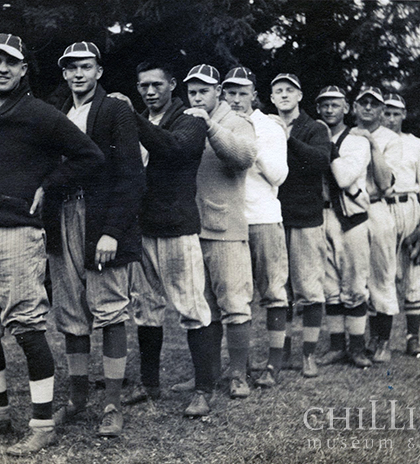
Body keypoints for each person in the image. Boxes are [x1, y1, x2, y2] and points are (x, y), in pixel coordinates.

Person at [0, 34, 104, 456]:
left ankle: (42, 423)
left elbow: (89, 156)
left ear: (22, 71)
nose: (2, 68)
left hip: (15, 230)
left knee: (27, 325)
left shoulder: (40, 115)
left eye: (10, 63)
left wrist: (46, 185)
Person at [47, 41, 144, 437]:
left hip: (101, 219)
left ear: (99, 71)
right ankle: (77, 398)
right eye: (71, 68)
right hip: (63, 216)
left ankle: (112, 403)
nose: (78, 74)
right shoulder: (57, 113)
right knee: (71, 310)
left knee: (109, 309)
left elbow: (131, 176)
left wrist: (111, 232)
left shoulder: (115, 108)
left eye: (85, 67)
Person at [109, 61, 215, 416]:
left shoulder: (193, 117)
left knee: (192, 308)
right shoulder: (140, 118)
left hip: (176, 227)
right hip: (143, 227)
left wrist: (129, 117)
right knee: (146, 308)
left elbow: (174, 149)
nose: (150, 92)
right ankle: (149, 384)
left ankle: (203, 389)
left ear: (172, 84)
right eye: (143, 86)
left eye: (157, 84)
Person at [178, 64, 257, 399]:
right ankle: (207, 375)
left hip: (225, 227)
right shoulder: (185, 118)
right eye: (192, 91)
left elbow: (243, 157)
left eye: (204, 90)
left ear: (219, 92)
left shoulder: (238, 121)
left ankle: (238, 375)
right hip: (191, 226)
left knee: (235, 305)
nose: (197, 96)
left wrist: (209, 126)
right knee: (201, 307)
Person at [222, 67, 289, 388]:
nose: (236, 99)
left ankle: (273, 364)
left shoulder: (268, 126)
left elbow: (278, 175)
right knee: (236, 298)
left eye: (242, 92)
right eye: (230, 92)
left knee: (274, 292)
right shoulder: (220, 122)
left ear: (253, 94)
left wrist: (250, 144)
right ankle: (240, 366)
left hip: (262, 217)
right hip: (229, 222)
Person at [270, 73, 331, 377]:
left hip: (306, 218)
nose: (283, 95)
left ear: (299, 96)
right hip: (276, 216)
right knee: (280, 288)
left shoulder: (315, 127)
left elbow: (321, 161)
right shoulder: (268, 125)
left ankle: (308, 355)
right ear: (271, 98)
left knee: (309, 287)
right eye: (278, 91)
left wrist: (288, 139)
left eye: (289, 90)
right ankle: (281, 354)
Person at [315, 86, 372, 369]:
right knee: (329, 284)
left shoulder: (357, 140)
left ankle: (358, 347)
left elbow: (344, 177)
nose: (329, 110)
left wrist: (328, 145)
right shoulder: (314, 135)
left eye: (335, 105)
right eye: (324, 105)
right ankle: (337, 346)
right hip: (321, 215)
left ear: (346, 108)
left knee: (354, 283)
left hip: (351, 218)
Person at [382, 93, 420, 358]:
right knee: (382, 272)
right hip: (382, 207)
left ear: (404, 114)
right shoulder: (372, 140)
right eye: (386, 112)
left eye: (395, 113)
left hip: (410, 207)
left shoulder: (416, 144)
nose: (390, 118)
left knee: (414, 271)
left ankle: (412, 338)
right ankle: (380, 338)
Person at [351, 86, 402, 365]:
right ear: (354, 107)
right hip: (350, 210)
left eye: (374, 104)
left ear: (382, 110)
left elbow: (384, 183)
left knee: (382, 274)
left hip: (378, 210)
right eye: (363, 103)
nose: (368, 108)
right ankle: (360, 340)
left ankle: (383, 341)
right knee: (357, 276)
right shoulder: (347, 133)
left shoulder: (390, 139)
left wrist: (371, 144)